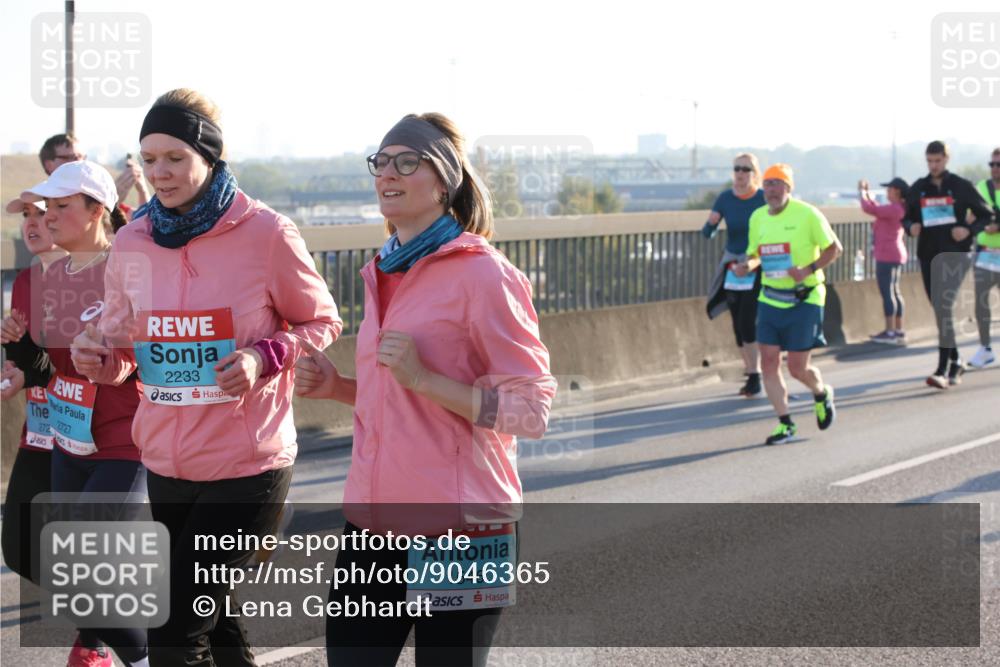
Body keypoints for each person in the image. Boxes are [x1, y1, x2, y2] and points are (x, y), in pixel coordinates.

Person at [70, 88, 341, 667]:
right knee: (210, 621)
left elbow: (322, 320)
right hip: (167, 461)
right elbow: (123, 350)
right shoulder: (132, 240)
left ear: (209, 157)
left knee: (174, 630)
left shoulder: (266, 232)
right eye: (149, 159)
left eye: (175, 158)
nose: (159, 173)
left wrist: (263, 356)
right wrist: (102, 361)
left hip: (249, 464)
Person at [294, 112, 557, 667]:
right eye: (381, 161)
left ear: (443, 181)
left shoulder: (486, 276)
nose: (388, 173)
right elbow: (396, 401)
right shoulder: (385, 270)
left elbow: (531, 412)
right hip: (372, 526)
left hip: (461, 529)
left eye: (406, 162)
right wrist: (340, 386)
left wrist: (426, 380)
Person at [19, 160, 149, 667]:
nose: (48, 216)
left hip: (125, 442)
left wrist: (112, 364)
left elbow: (142, 352)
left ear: (97, 210)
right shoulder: (55, 275)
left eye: (61, 205)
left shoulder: (128, 269)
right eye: (45, 206)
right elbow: (50, 363)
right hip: (68, 441)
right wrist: (20, 364)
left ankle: (143, 656)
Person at [732, 164, 842, 445]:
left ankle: (820, 392)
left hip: (805, 298)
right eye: (767, 184)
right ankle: (785, 423)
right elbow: (755, 254)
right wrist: (747, 266)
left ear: (788, 188)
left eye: (777, 184)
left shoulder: (808, 214)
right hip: (770, 298)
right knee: (768, 362)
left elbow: (834, 249)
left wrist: (807, 269)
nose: (771, 190)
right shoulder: (758, 217)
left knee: (797, 368)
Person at [1, 196, 64, 585]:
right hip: (40, 431)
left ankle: (97, 639)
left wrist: (29, 372)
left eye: (42, 213)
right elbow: (25, 360)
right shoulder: (25, 281)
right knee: (21, 548)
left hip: (93, 438)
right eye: (27, 215)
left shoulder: (97, 278)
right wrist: (14, 370)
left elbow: (80, 362)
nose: (33, 223)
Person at [902, 141, 994, 388]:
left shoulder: (961, 186)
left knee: (943, 305)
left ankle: (943, 368)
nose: (933, 166)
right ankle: (956, 360)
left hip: (956, 254)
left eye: (937, 161)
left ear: (946, 159)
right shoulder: (919, 188)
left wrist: (968, 229)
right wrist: (911, 227)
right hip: (928, 254)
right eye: (929, 161)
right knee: (940, 309)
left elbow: (986, 214)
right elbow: (906, 216)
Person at [704, 153, 767, 396]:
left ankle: (756, 375)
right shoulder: (725, 199)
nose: (740, 174)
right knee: (737, 323)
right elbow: (707, 233)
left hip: (756, 262)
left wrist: (756, 260)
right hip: (732, 264)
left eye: (746, 169)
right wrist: (711, 223)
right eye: (737, 169)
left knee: (748, 320)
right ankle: (751, 370)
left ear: (754, 174)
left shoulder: (762, 199)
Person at [39, 132, 149, 215]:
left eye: (81, 157)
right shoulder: (38, 205)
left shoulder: (92, 198)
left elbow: (145, 225)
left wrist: (142, 191)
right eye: (70, 157)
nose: (78, 162)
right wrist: (110, 202)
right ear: (49, 165)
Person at [858, 176, 909, 344]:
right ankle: (898, 329)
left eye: (889, 189)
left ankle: (890, 331)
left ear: (897, 191)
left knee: (888, 292)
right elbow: (876, 208)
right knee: (895, 291)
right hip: (896, 253)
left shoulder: (894, 209)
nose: (887, 192)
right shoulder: (899, 208)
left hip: (886, 254)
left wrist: (862, 192)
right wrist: (868, 194)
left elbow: (869, 209)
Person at [969, 147, 1000, 369]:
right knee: (981, 302)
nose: (995, 169)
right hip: (985, 254)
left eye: (999, 165)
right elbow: (971, 217)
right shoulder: (982, 188)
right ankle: (985, 348)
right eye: (992, 165)